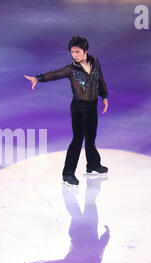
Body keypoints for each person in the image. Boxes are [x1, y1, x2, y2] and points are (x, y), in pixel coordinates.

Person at [24, 35, 109, 185]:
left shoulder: (95, 63)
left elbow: (100, 80)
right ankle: (68, 173)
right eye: (72, 52)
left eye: (77, 52)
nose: (74, 55)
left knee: (91, 138)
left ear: (85, 51)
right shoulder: (70, 69)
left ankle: (93, 164)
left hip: (92, 106)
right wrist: (38, 78)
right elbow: (54, 74)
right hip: (78, 108)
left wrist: (105, 97)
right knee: (77, 140)